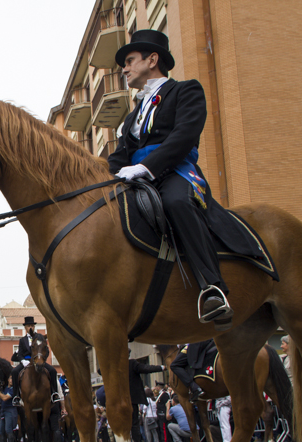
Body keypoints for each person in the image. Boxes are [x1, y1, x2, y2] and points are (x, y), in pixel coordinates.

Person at [108, 30, 233, 330]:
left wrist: (146, 167)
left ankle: (212, 288)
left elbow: (184, 136)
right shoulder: (132, 116)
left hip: (176, 171)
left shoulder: (186, 90)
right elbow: (119, 155)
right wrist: (102, 177)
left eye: (129, 61)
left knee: (176, 202)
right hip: (139, 179)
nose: (123, 69)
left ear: (152, 60)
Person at [11, 317, 62, 406]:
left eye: (32, 325)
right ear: (25, 328)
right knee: (14, 372)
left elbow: (46, 350)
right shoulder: (22, 340)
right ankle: (16, 396)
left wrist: (42, 359)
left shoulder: (40, 337)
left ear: (34, 327)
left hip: (38, 360)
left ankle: (54, 393)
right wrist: (23, 361)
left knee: (53, 371)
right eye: (28, 326)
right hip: (26, 361)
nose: (30, 327)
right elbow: (20, 354)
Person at [128, 354, 165, 442]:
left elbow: (100, 370)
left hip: (118, 398)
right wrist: (161, 367)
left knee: (122, 425)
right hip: (131, 399)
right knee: (134, 424)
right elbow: (146, 368)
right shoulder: (132, 363)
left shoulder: (114, 363)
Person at [0, 375, 18, 442]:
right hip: (3, 410)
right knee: (1, 431)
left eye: (12, 378)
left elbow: (4, 398)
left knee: (8, 430)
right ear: (7, 379)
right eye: (10, 378)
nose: (11, 380)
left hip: (10, 410)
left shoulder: (13, 389)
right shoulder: (5, 388)